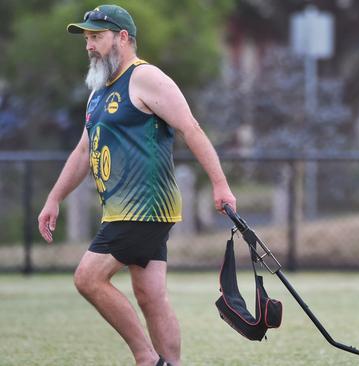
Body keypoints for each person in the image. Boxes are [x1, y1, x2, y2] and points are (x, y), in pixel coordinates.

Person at [37, 5, 236, 366]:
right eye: (87, 38)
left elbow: (190, 128)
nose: (89, 46)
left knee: (87, 278)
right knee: (150, 294)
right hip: (121, 210)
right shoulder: (98, 92)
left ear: (123, 38)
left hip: (144, 208)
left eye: (96, 37)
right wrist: (54, 199)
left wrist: (221, 185)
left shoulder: (146, 78)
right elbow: (83, 151)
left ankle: (147, 359)